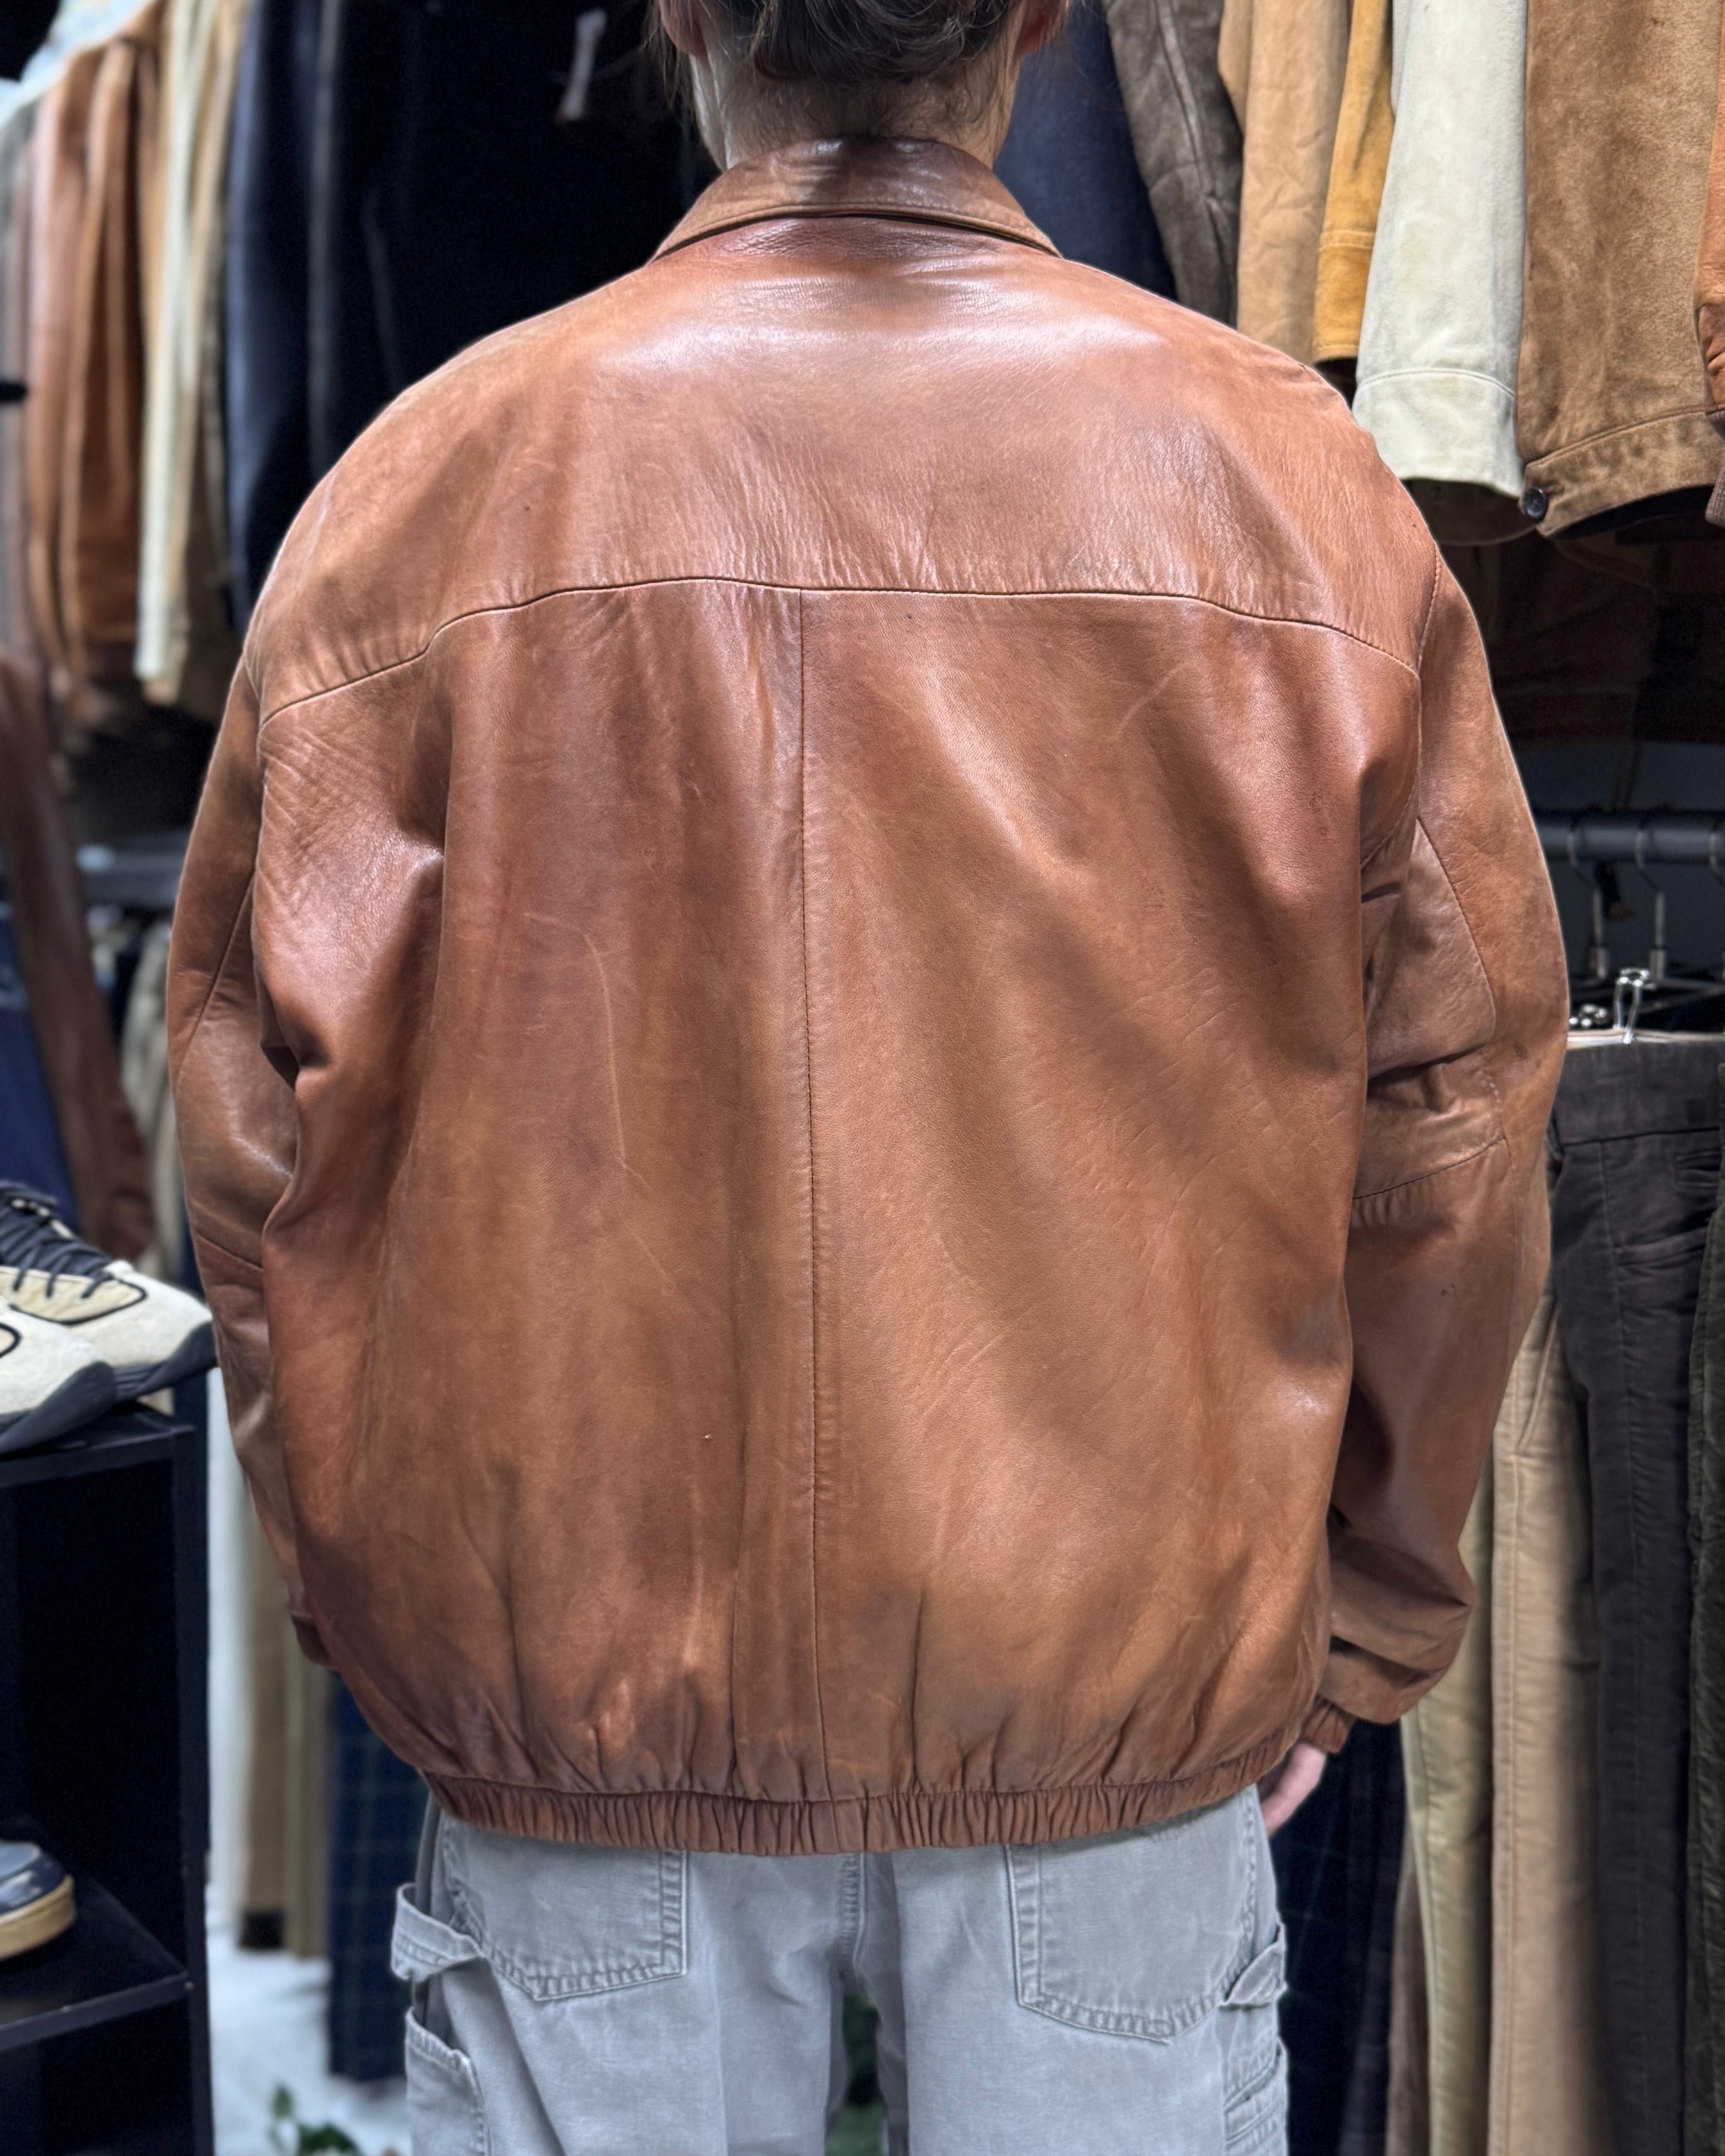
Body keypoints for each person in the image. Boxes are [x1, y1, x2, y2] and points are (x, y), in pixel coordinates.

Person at [166, 0, 1569, 2140]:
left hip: (584, 1733)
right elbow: (1451, 1110)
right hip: (1109, 1712)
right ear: (1035, 24)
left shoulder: (425, 489)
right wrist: (1362, 1609)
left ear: (679, 18)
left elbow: (256, 1136)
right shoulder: (1282, 483)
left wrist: (389, 1600)